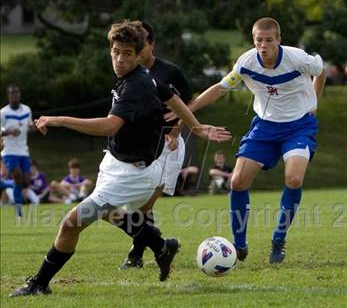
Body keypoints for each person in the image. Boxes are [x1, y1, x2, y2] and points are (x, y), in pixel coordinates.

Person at [10, 20, 230, 297]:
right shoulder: (142, 77)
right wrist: (196, 127)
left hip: (132, 174)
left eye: (127, 53)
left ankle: (39, 284)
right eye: (116, 51)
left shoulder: (136, 85)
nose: (120, 58)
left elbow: (110, 126)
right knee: (108, 214)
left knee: (71, 223)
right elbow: (173, 99)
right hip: (115, 162)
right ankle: (161, 246)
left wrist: (60, 120)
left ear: (139, 55)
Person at [167, 17, 326, 264]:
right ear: (254, 40)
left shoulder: (297, 58)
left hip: (299, 126)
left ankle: (279, 239)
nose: (263, 45)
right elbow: (220, 88)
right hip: (264, 126)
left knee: (294, 178)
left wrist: (313, 102)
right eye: (258, 40)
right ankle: (238, 245)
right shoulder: (246, 62)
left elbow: (321, 70)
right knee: (238, 182)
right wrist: (189, 109)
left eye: (269, 40)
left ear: (279, 40)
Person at [119, 21, 194, 269]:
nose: (137, 52)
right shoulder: (130, 75)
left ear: (151, 44)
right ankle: (156, 243)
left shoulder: (170, 72)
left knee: (146, 203)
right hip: (142, 146)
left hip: (168, 144)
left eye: (142, 46)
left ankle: (138, 253)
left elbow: (188, 102)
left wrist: (176, 130)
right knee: (135, 204)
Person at [0, 84, 35, 218]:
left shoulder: (26, 109)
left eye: (17, 92)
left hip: (23, 150)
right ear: (8, 96)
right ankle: (18, 212)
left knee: (25, 181)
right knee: (17, 175)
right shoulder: (3, 112)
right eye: (12, 93)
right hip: (8, 150)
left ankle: (3, 183)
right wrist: (8, 131)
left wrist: (33, 127)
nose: (15, 95)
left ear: (20, 94)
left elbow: (30, 125)